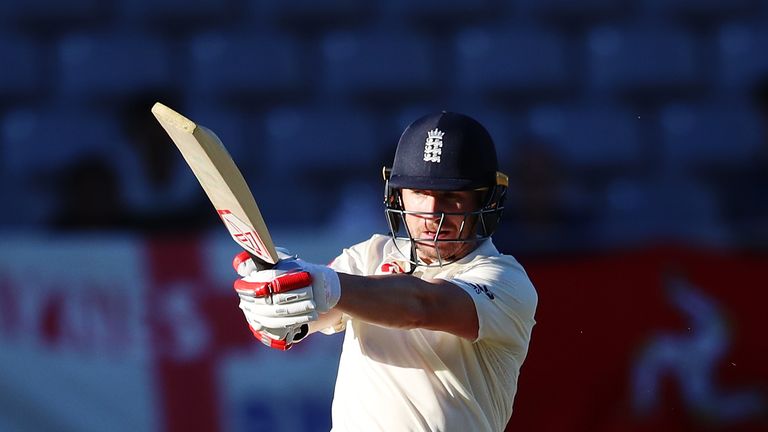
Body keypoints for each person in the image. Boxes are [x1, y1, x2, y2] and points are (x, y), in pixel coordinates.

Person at [232, 112, 538, 431]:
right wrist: (276, 298)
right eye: (420, 193)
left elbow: (421, 306)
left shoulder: (505, 280)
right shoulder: (369, 256)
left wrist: (320, 285)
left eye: (451, 196)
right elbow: (308, 316)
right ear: (397, 194)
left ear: (486, 200)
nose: (432, 213)